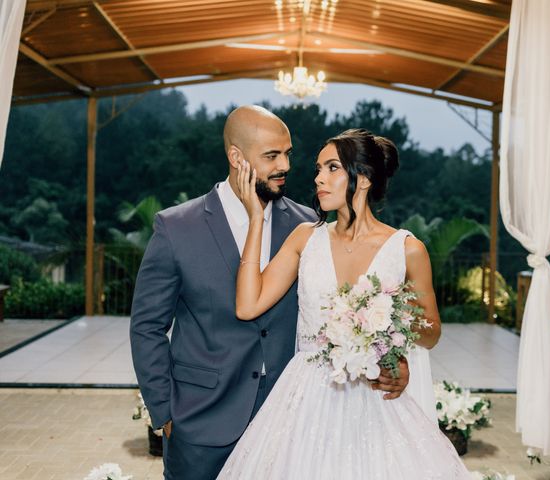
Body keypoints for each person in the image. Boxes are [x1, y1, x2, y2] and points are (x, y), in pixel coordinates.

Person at [129, 106, 409, 480]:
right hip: (201, 420)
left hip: (292, 421)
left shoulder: (310, 226)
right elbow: (147, 326)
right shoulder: (176, 227)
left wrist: (389, 361)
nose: (286, 166)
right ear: (236, 157)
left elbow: (348, 312)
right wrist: (163, 411)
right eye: (272, 156)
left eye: (288, 154)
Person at [219, 128, 471, 479]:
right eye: (318, 169)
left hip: (375, 399)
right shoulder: (305, 238)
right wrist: (257, 218)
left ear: (363, 178)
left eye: (332, 168)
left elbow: (431, 333)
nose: (319, 178)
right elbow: (248, 305)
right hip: (304, 402)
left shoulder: (407, 249)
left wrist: (385, 327)